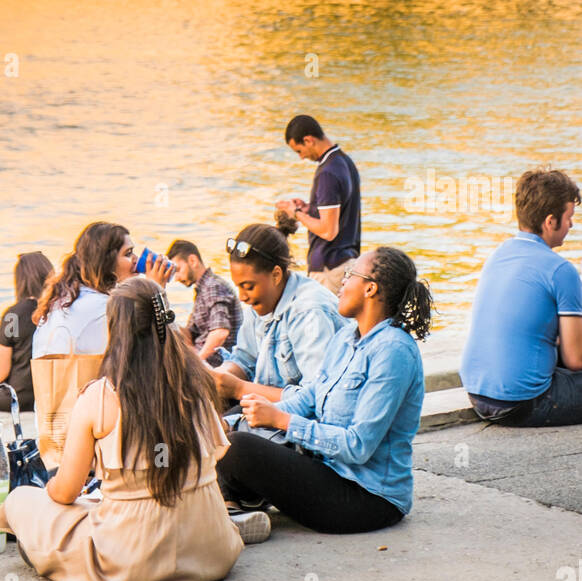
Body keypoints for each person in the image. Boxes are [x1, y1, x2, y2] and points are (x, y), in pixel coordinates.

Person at [0, 277, 245, 581]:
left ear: (116, 331)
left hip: (132, 558)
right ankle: (230, 527)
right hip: (213, 551)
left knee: (23, 501)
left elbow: (65, 491)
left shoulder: (100, 396)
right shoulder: (200, 384)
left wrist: (51, 494)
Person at [216, 247, 431, 534]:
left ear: (370, 288)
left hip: (366, 497)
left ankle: (231, 510)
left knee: (240, 450)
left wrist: (281, 421)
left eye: (350, 275)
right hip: (325, 467)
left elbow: (357, 447)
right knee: (230, 423)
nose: (342, 282)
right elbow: (310, 398)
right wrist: (237, 420)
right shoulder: (346, 337)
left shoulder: (394, 351)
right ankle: (234, 508)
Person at [31, 223, 172, 467]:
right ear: (106, 262)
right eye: (128, 254)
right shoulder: (105, 308)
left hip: (53, 442)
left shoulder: (61, 303)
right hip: (92, 445)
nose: (137, 260)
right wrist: (155, 293)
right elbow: (164, 353)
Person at [461, 169, 582, 426]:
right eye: (569, 217)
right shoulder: (561, 270)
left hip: (477, 394)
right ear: (551, 221)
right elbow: (575, 360)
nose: (571, 225)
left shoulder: (498, 255)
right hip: (524, 403)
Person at [208, 219, 342, 412]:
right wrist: (219, 377)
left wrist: (239, 389)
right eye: (238, 286)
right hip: (273, 410)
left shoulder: (309, 312)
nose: (242, 297)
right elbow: (245, 359)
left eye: (248, 287)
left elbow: (317, 398)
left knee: (228, 437)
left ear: (276, 275)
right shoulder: (262, 303)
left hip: (307, 424)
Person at [277, 113, 362, 294]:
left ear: (308, 140)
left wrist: (296, 214)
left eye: (299, 150)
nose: (301, 157)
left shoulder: (327, 173)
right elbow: (339, 211)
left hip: (329, 268)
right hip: (347, 261)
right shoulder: (344, 162)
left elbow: (328, 231)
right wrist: (309, 208)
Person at [0, 251, 54, 412]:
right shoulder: (59, 309)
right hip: (50, 395)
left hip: (18, 398)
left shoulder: (14, 315)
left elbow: (0, 373)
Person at [166, 239, 242, 366]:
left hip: (216, 365)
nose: (177, 278)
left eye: (178, 270)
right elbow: (189, 336)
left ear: (193, 261)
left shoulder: (213, 286)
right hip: (202, 359)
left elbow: (220, 332)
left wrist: (197, 363)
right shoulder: (203, 289)